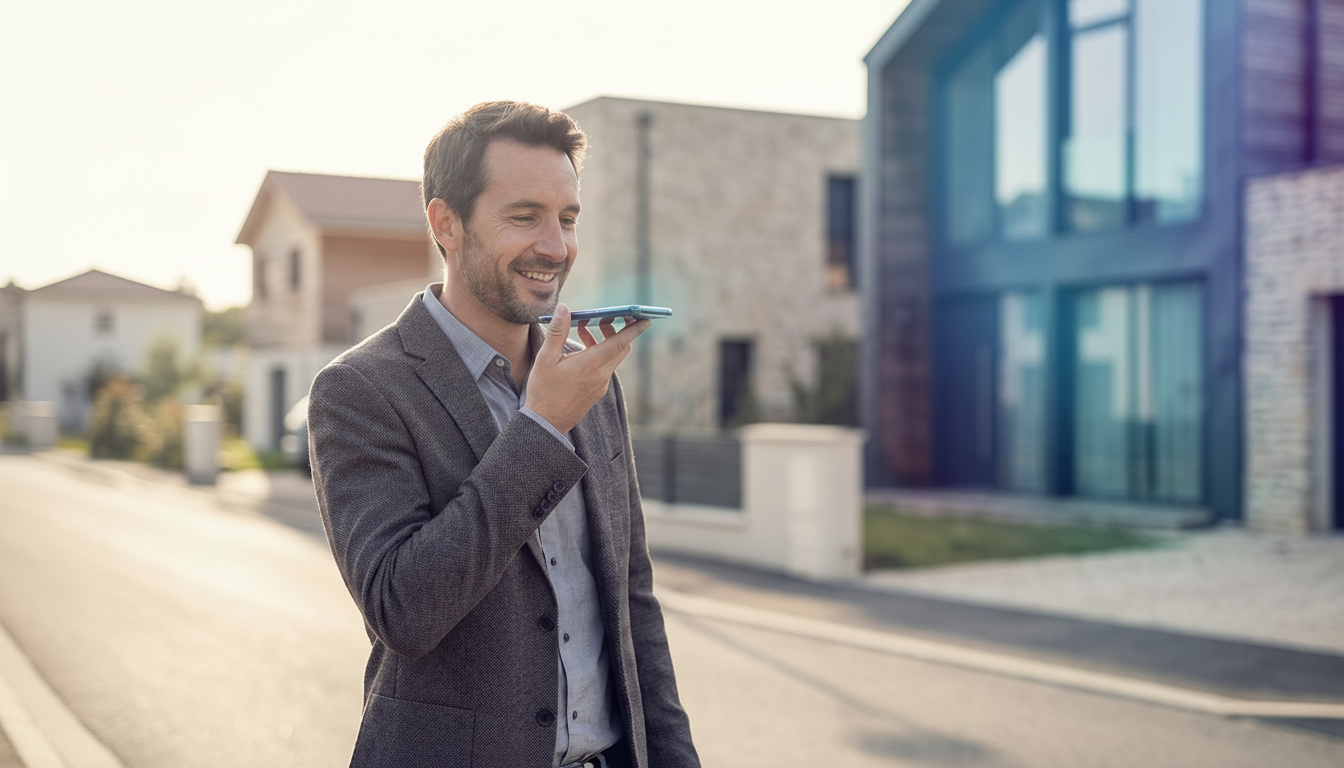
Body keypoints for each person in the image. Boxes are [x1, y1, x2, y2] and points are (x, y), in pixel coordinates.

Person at [307, 101, 700, 768]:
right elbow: (404, 609)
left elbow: (633, 600)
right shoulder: (361, 390)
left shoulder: (588, 376)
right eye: (524, 217)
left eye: (567, 219)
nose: (556, 246)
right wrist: (540, 427)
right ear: (446, 224)